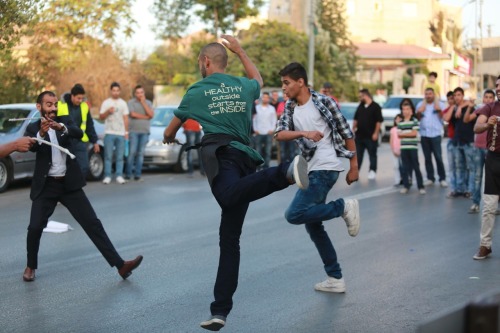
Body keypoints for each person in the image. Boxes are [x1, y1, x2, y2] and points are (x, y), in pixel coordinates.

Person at [162, 36, 309, 331]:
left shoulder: (196, 90)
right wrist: (240, 50)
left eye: (199, 63)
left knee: (227, 196)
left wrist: (168, 136)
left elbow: (172, 127)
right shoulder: (243, 86)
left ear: (205, 62)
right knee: (229, 239)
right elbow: (258, 78)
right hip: (245, 159)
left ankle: (284, 173)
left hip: (223, 157)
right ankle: (220, 311)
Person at [22, 91, 143, 282]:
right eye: (48, 105)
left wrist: (61, 127)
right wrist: (41, 133)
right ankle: (30, 266)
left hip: (69, 184)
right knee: (35, 227)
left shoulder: (64, 120)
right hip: (46, 186)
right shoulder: (33, 127)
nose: (53, 108)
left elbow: (79, 133)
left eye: (54, 104)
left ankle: (120, 266)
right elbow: (32, 147)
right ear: (39, 107)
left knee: (93, 224)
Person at [275, 62, 360, 293]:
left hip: (325, 168)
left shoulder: (324, 102)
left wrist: (354, 166)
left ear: (300, 82)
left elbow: (346, 133)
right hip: (309, 169)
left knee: (294, 214)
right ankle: (335, 278)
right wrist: (304, 133)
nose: (284, 88)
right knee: (314, 227)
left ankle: (342, 207)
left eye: (286, 83)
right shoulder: (290, 107)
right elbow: (279, 133)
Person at [472, 76, 500, 260]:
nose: (498, 88)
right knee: (489, 206)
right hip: (493, 160)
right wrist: (486, 124)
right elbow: (476, 127)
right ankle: (485, 245)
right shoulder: (490, 107)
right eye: (497, 85)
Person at [464, 89, 496, 213]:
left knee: (494, 177)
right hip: (478, 148)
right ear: (483, 99)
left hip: (491, 149)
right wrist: (469, 107)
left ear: (494, 100)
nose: (488, 99)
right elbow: (466, 120)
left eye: (490, 97)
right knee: (477, 176)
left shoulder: (496, 111)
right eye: (486, 97)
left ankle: (495, 206)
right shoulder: (481, 110)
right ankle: (476, 203)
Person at [57, 84, 100, 178]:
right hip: (65, 141)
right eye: (78, 98)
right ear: (72, 95)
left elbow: (89, 125)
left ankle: (77, 186)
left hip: (80, 141)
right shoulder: (61, 105)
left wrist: (95, 141)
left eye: (82, 98)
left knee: (84, 167)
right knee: (67, 167)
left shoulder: (84, 107)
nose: (80, 100)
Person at [446, 87, 475, 198]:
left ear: (463, 96)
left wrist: (461, 107)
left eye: (459, 95)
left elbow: (472, 103)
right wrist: (455, 107)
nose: (457, 97)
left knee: (470, 167)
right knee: (460, 167)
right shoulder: (454, 109)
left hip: (468, 141)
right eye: (455, 95)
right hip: (457, 142)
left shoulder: (469, 107)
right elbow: (446, 118)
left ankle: (470, 190)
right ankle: (461, 189)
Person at [415, 88, 447, 187]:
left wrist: (439, 110)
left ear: (434, 95)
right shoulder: (420, 105)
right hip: (424, 135)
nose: (428, 96)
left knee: (438, 157)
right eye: (426, 94)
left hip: (436, 135)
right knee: (427, 158)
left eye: (430, 94)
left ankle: (442, 178)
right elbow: (417, 119)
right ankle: (430, 178)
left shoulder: (440, 104)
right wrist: (419, 112)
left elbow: (444, 118)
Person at [99, 82, 129, 184]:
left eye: (117, 91)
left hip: (120, 133)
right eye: (114, 90)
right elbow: (101, 117)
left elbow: (125, 118)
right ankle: (107, 175)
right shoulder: (106, 103)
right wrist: (108, 111)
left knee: (120, 156)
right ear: (111, 91)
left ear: (119, 91)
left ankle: (119, 175)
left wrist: (126, 132)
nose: (115, 92)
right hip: (109, 132)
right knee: (108, 156)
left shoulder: (123, 103)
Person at [353, 88, 383, 180]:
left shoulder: (376, 106)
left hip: (371, 136)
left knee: (372, 154)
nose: (359, 98)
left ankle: (372, 171)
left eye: (360, 96)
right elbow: (356, 119)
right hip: (359, 136)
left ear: (366, 96)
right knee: (358, 155)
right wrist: (353, 129)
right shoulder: (360, 106)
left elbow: (378, 121)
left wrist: (376, 133)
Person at [125, 85, 154, 181]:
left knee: (140, 153)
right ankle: (128, 173)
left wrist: (143, 103)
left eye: (141, 92)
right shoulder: (131, 102)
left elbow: (151, 115)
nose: (140, 94)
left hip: (145, 132)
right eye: (138, 93)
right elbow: (133, 114)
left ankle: (138, 174)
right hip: (133, 131)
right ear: (135, 94)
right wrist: (146, 117)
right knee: (132, 152)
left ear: (144, 93)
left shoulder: (148, 103)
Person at [398, 102, 425, 194]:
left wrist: (404, 134)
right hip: (404, 148)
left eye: (407, 109)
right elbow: (399, 135)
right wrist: (408, 134)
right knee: (404, 167)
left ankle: (421, 186)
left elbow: (414, 133)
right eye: (403, 109)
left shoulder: (414, 121)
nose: (405, 111)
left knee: (416, 167)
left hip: (413, 147)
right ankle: (406, 186)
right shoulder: (400, 123)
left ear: (411, 111)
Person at [253, 92, 277, 168]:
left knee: (268, 151)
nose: (265, 99)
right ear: (261, 98)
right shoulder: (257, 108)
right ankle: (259, 166)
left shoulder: (272, 108)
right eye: (264, 97)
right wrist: (255, 129)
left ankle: (266, 166)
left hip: (268, 132)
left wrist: (272, 129)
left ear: (269, 99)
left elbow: (274, 120)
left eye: (267, 97)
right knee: (258, 151)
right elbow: (254, 119)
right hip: (258, 132)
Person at [442, 91, 457, 196]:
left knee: (463, 167)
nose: (451, 101)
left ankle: (464, 188)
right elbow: (446, 118)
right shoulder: (448, 109)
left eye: (452, 98)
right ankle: (453, 188)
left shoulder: (462, 108)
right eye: (449, 99)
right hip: (451, 140)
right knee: (452, 166)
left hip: (462, 140)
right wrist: (453, 106)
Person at [276, 94, 296, 163]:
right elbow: (277, 114)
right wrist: (282, 114)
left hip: (291, 132)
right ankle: (282, 167)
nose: (285, 97)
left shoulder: (294, 104)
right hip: (283, 131)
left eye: (286, 96)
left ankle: (291, 167)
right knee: (282, 151)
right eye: (284, 96)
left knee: (291, 151)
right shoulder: (280, 104)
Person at [390, 114, 404, 186]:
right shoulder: (393, 129)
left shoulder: (403, 129)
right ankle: (397, 180)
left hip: (402, 149)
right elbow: (391, 140)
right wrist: (393, 150)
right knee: (396, 166)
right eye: (396, 119)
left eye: (400, 118)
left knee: (403, 165)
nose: (398, 120)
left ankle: (404, 178)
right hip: (395, 150)